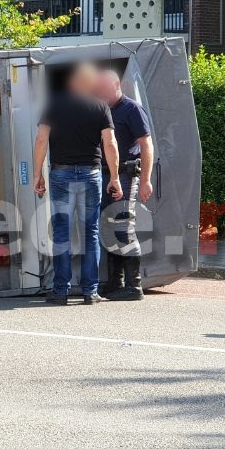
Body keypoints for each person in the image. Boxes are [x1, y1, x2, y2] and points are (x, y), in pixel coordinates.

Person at [32, 62, 122, 305]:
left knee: (62, 232)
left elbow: (42, 139)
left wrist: (37, 173)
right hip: (91, 174)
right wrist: (114, 177)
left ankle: (61, 291)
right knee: (90, 232)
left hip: (60, 174)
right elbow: (110, 143)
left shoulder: (55, 104)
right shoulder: (100, 106)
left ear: (72, 83)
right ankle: (90, 292)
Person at [95, 69, 155, 301]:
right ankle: (114, 283)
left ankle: (133, 286)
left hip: (127, 175)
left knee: (123, 228)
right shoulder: (103, 109)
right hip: (107, 175)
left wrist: (146, 180)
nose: (99, 92)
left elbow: (146, 145)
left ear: (116, 84)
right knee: (109, 228)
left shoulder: (131, 109)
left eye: (102, 88)